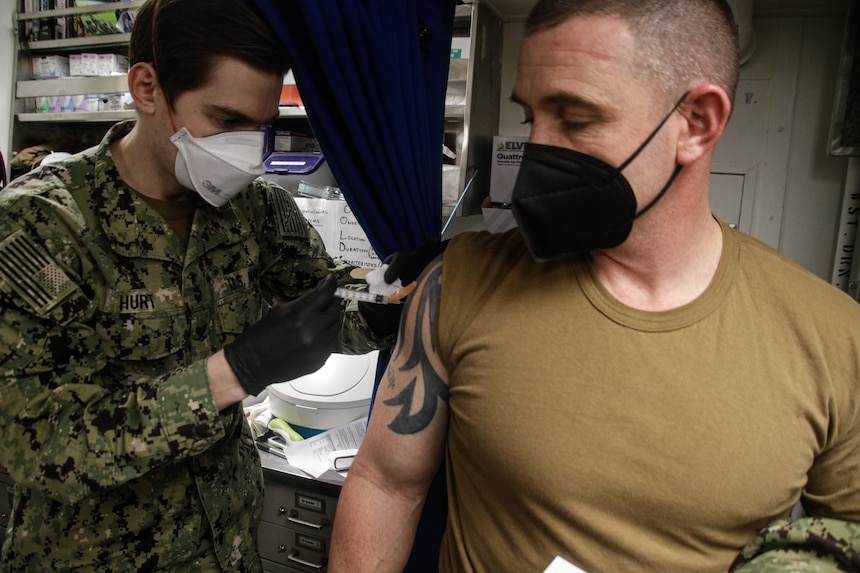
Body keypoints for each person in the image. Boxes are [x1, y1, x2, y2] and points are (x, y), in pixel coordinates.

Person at [328, 0, 860, 571]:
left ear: (697, 123)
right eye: (533, 117)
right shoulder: (460, 281)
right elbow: (386, 484)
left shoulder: (833, 337)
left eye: (576, 118)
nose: (538, 151)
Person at [0, 0, 408, 570]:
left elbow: (320, 302)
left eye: (261, 126)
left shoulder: (257, 210)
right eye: (225, 121)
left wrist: (388, 295)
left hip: (228, 546)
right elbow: (41, 445)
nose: (247, 150)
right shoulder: (38, 227)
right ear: (147, 88)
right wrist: (233, 371)